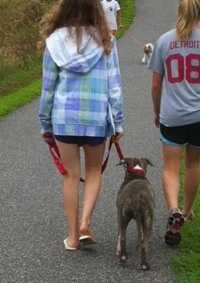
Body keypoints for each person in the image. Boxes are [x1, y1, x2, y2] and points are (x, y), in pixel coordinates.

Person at [37, 0, 124, 251]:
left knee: (71, 175)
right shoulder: (106, 40)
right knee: (94, 171)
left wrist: (45, 123)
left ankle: (73, 237)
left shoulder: (54, 41)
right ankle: (86, 223)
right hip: (96, 117)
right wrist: (117, 122)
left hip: (64, 118)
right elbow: (114, 86)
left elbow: (48, 88)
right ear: (95, 10)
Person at [147, 0, 200, 245]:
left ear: (179, 12)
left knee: (170, 168)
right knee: (193, 165)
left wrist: (157, 111)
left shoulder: (163, 41)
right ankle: (187, 209)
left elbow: (156, 84)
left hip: (172, 115)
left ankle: (173, 209)